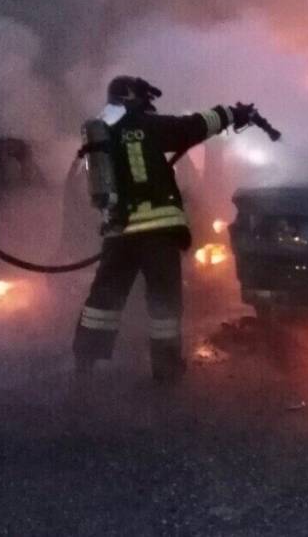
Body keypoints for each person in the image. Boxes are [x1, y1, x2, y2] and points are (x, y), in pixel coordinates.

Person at [73, 76, 258, 383]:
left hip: (119, 234)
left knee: (104, 298)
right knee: (164, 304)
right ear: (134, 99)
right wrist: (232, 114)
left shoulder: (102, 133)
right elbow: (192, 127)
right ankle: (166, 368)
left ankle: (85, 361)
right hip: (157, 233)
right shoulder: (146, 125)